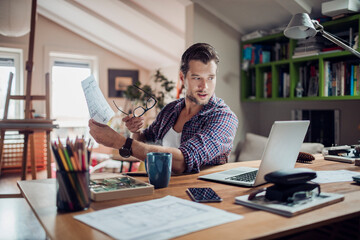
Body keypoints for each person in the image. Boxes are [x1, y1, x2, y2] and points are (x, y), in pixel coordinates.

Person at [89, 43, 238, 174]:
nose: (204, 86)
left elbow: (183, 161)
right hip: (160, 191)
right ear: (182, 78)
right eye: (197, 77)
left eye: (210, 78)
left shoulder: (224, 118)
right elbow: (145, 143)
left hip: (200, 196)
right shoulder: (171, 109)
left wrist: (120, 142)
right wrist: (136, 132)